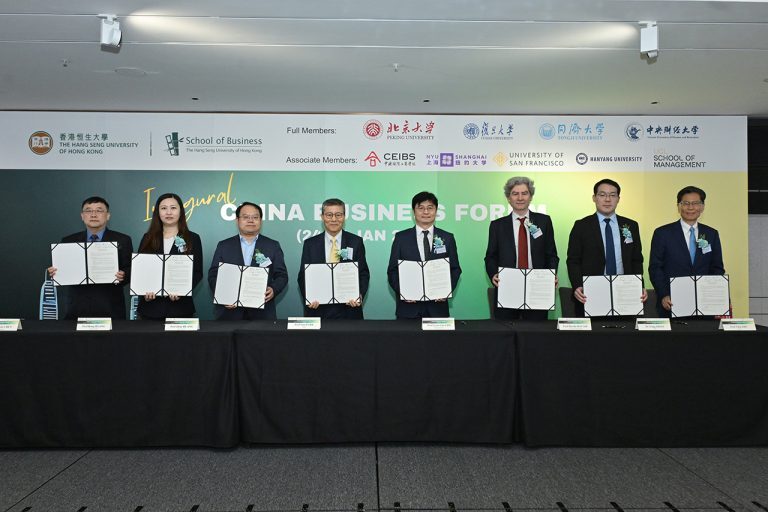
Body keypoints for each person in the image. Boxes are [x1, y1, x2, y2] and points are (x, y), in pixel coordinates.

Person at [566, 178, 646, 316]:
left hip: (624, 293)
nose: (607, 199)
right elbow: (573, 260)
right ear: (594, 198)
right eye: (602, 195)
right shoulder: (581, 226)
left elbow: (636, 260)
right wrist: (578, 285)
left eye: (612, 195)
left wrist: (639, 285)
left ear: (618, 199)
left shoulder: (631, 225)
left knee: (625, 329)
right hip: (591, 293)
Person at [484, 176, 559, 320]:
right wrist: (493, 274)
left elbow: (551, 254)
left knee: (537, 331)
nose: (520, 198)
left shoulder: (544, 221)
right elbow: (491, 257)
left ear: (530, 197)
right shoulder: (497, 225)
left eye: (524, 193)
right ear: (508, 198)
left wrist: (551, 274)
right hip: (507, 288)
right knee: (505, 331)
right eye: (515, 193)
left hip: (537, 288)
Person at [48, 196, 133, 319]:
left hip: (111, 307)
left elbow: (130, 269)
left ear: (108, 215)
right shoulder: (68, 241)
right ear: (82, 216)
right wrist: (56, 272)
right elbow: (63, 271)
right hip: (77, 307)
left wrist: (123, 275)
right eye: (88, 211)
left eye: (99, 210)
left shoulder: (123, 240)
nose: (93, 215)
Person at [649, 186, 725, 317]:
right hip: (671, 303)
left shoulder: (711, 234)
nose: (690, 207)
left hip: (704, 305)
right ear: (678, 206)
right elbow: (655, 268)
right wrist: (663, 294)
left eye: (695, 203)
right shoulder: (662, 233)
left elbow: (717, 268)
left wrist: (714, 296)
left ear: (702, 207)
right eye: (686, 203)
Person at [387, 191, 462, 319]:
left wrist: (446, 290)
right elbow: (393, 271)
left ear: (436, 211)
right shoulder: (401, 238)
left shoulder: (447, 238)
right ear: (413, 211)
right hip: (408, 309)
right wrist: (403, 292)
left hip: (438, 308)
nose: (425, 212)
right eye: (420, 208)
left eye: (430, 208)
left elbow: (455, 269)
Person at [208, 202, 288, 320]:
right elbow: (213, 275)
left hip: (262, 314)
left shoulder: (272, 245)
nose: (251, 220)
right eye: (246, 217)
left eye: (255, 217)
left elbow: (282, 275)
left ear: (260, 221)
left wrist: (273, 289)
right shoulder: (224, 246)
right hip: (229, 314)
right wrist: (223, 295)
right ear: (237, 220)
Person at [297, 198, 370, 319]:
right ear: (322, 217)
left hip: (349, 310)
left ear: (344, 217)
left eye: (338, 215)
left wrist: (359, 295)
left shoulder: (356, 242)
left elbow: (363, 273)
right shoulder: (310, 244)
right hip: (318, 310)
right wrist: (309, 297)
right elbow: (303, 276)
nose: (334, 219)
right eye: (329, 215)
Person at [137, 193, 203, 320]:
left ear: (180, 211)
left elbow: (197, 272)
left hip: (180, 309)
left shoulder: (192, 238)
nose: (168, 212)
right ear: (158, 212)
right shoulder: (148, 238)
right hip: (150, 309)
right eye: (163, 208)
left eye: (173, 208)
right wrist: (144, 291)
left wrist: (182, 290)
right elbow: (140, 270)